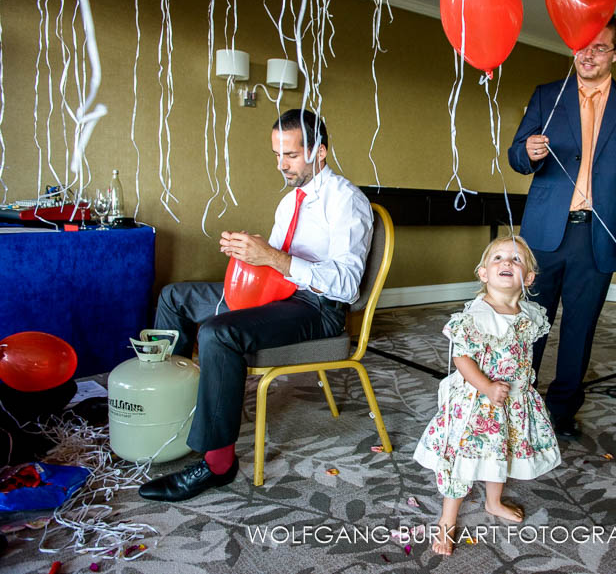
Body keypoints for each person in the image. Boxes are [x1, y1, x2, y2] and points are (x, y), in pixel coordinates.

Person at [138, 109, 373, 502]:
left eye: (291, 155)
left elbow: (347, 287)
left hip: (317, 309)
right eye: (277, 155)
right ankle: (171, 411)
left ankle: (218, 464)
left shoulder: (347, 201)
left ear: (320, 152)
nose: (282, 165)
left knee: (219, 333)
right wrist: (247, 253)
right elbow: (273, 263)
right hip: (276, 293)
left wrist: (273, 258)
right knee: (173, 297)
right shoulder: (290, 202)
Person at [507, 16, 616, 438]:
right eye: (582, 46)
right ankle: (518, 401)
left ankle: (560, 411)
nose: (587, 54)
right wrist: (529, 151)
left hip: (600, 232)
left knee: (580, 327)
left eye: (599, 47)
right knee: (529, 322)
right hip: (545, 233)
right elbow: (517, 157)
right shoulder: (547, 95)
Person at [413, 235, 561, 556]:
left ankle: (494, 502)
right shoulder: (475, 317)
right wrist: (487, 386)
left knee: (502, 452)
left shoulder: (529, 315)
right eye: (498, 258)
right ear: (483, 273)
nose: (507, 263)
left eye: (516, 259)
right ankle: (447, 520)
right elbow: (462, 358)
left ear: (529, 278)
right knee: (462, 462)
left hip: (513, 401)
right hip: (478, 404)